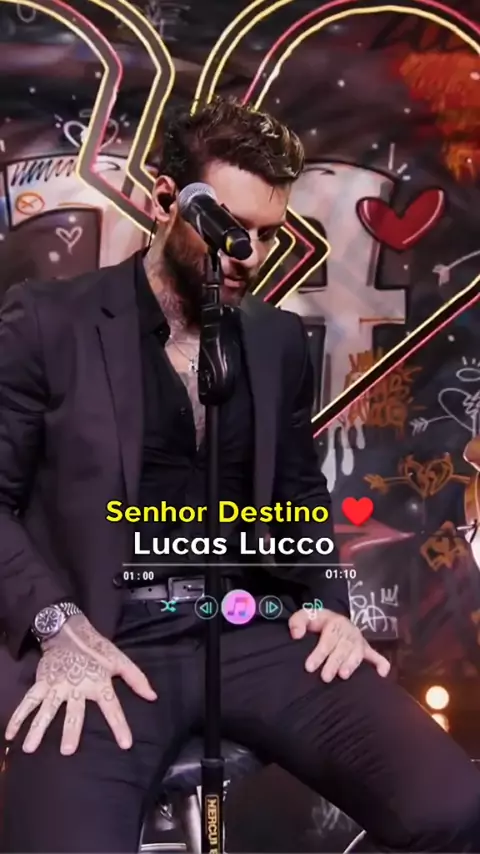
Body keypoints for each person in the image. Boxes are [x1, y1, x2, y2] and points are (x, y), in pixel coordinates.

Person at [0, 96, 479, 854]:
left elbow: (298, 491)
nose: (247, 253)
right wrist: (58, 628)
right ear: (167, 200)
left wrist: (329, 605)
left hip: (250, 629)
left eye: (266, 233)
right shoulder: (47, 322)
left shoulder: (277, 339)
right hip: (105, 641)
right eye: (226, 227)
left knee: (451, 806)